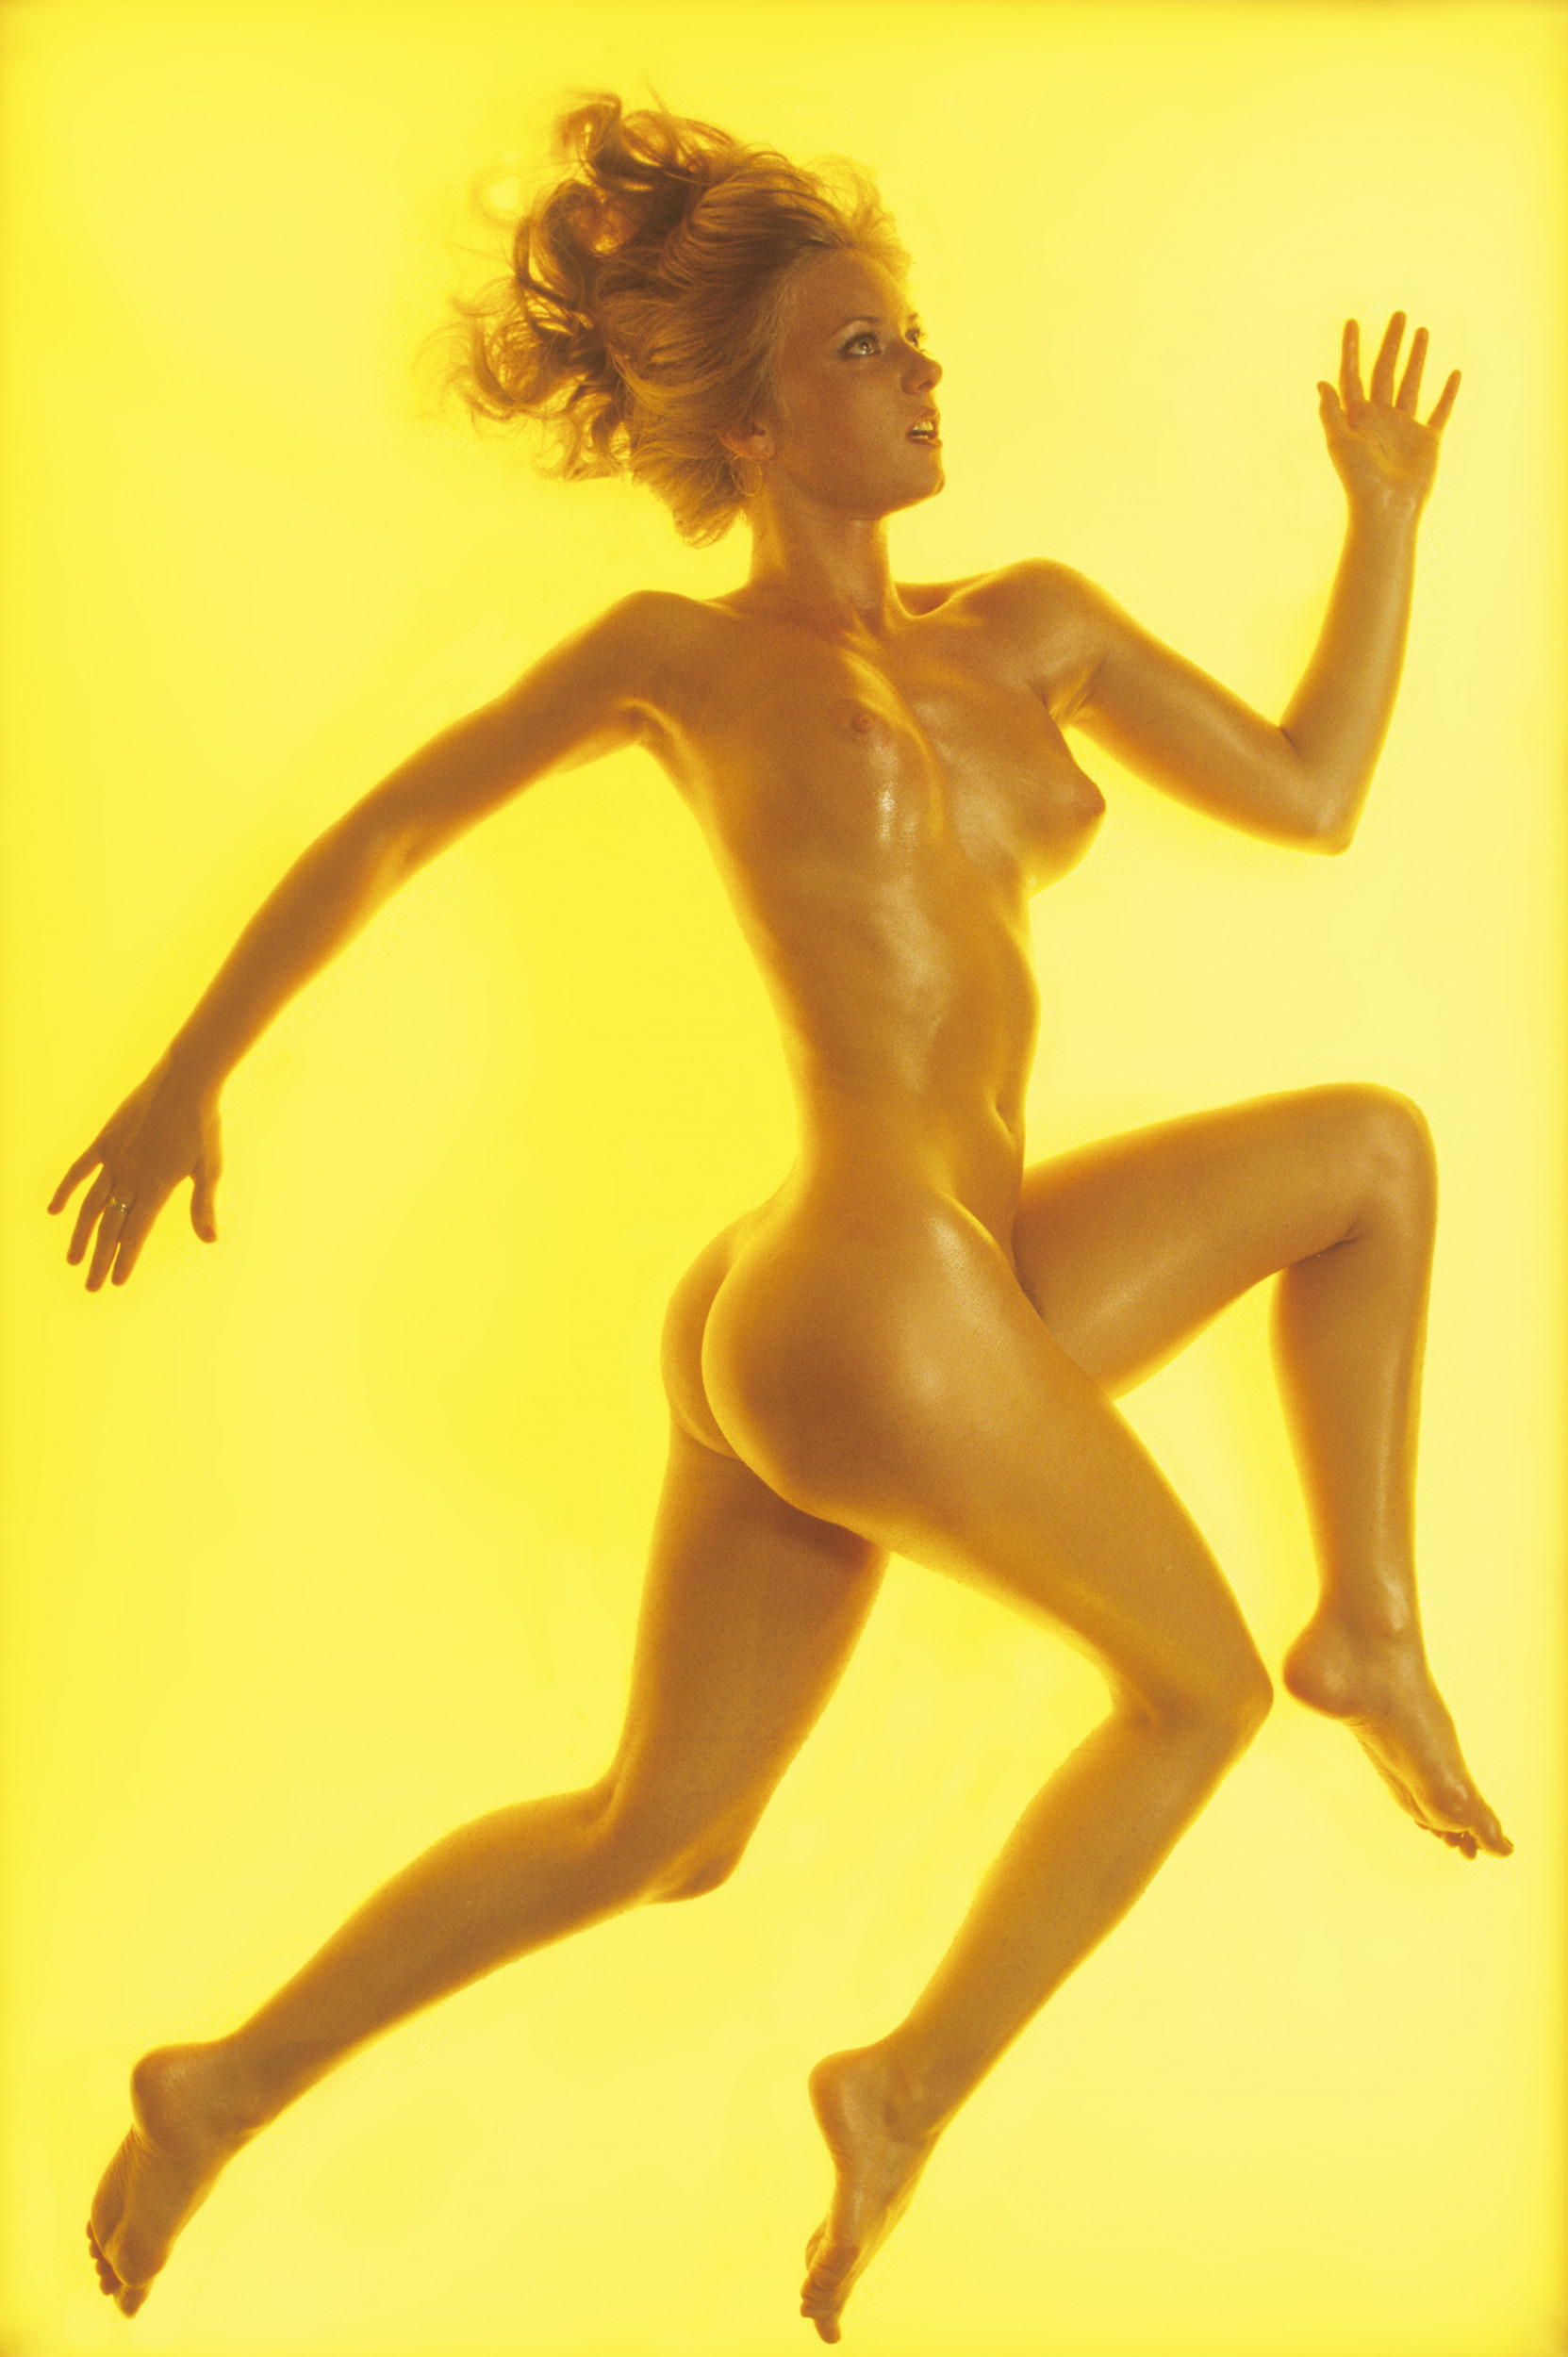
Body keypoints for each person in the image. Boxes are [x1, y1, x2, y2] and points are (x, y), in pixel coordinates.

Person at [52, 92, 1510, 2344]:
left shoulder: (1035, 628)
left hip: (924, 1287)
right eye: (860, 347)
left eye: (914, 336)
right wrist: (190, 1068)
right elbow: (396, 825)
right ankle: (902, 2083)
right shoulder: (684, 656)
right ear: (747, 417)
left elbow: (1310, 793)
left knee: (666, 1820)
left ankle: (219, 2080)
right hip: (865, 1291)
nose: (921, 372)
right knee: (1191, 1689)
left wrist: (1383, 519)